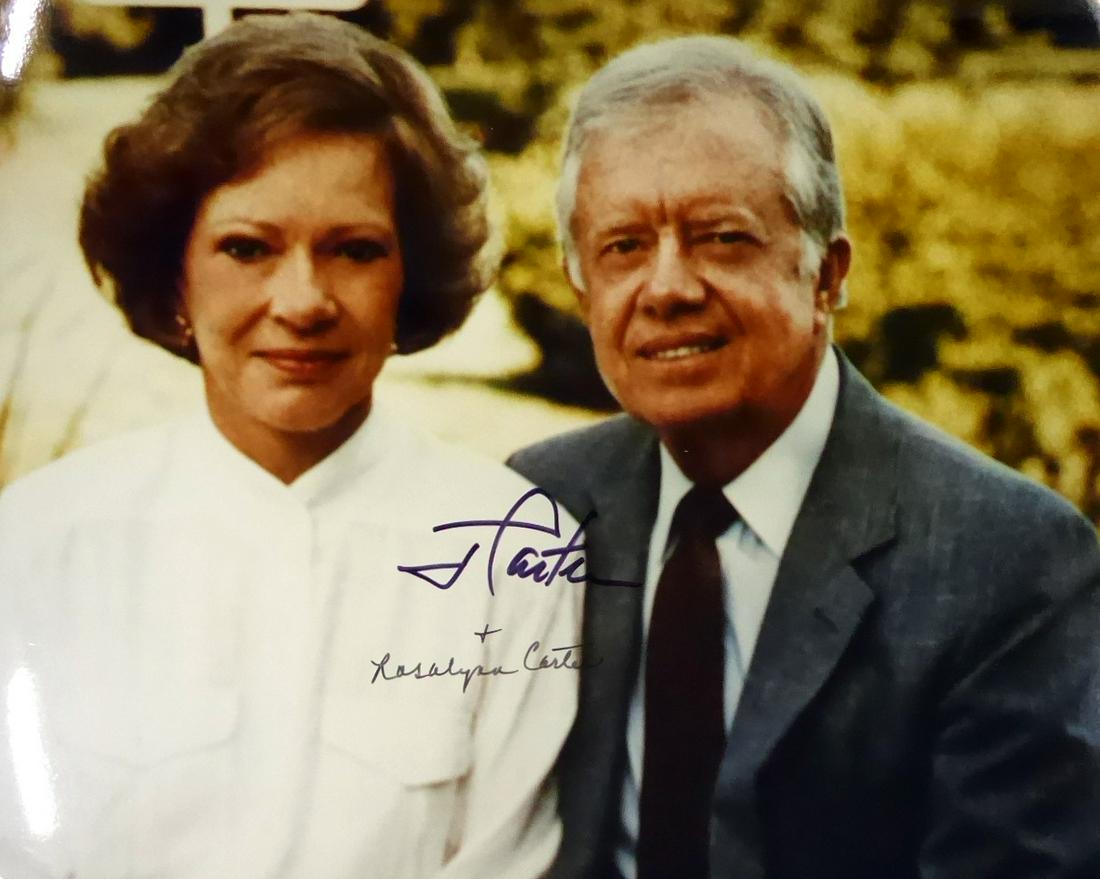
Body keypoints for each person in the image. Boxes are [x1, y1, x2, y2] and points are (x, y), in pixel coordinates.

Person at [0, 14, 581, 879]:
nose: (303, 299)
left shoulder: (513, 552)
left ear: (408, 279)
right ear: (175, 279)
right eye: (248, 247)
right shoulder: (40, 542)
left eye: (354, 250)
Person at [509, 35, 1100, 879]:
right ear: (582, 288)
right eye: (623, 247)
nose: (667, 287)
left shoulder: (1008, 559)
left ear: (828, 274)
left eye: (720, 238)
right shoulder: (537, 508)